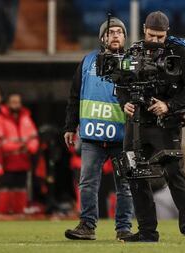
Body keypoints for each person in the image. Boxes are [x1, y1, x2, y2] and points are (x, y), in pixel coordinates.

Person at [117, 11, 185, 242]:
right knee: (134, 174)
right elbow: (121, 85)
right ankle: (147, 232)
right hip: (137, 123)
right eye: (151, 35)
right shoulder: (132, 52)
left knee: (174, 173)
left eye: (160, 36)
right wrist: (125, 103)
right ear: (144, 29)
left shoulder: (179, 52)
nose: (155, 40)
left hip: (166, 124)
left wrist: (169, 105)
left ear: (167, 33)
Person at [63, 17, 133, 240]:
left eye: (119, 32)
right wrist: (69, 126)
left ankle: (124, 229)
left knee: (125, 186)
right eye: (110, 32)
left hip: (123, 137)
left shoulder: (132, 62)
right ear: (102, 37)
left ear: (124, 37)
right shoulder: (87, 61)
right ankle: (87, 226)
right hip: (92, 136)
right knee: (87, 183)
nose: (115, 35)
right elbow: (75, 96)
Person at [0, 93, 39, 215]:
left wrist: (30, 148)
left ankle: (19, 215)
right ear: (7, 104)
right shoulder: (0, 120)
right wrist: (21, 146)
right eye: (13, 102)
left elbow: (34, 139)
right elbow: (0, 143)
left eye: (18, 102)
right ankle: (3, 215)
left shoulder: (26, 119)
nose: (16, 105)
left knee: (21, 189)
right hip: (6, 163)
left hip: (23, 162)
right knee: (5, 189)